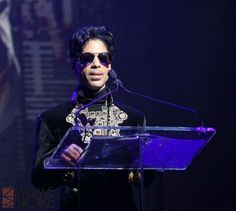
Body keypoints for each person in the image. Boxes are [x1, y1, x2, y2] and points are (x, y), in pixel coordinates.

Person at [31, 26, 148, 211]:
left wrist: (155, 155)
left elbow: (146, 180)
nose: (96, 64)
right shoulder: (53, 119)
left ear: (110, 65)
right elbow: (38, 178)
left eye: (103, 58)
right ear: (74, 63)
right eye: (87, 58)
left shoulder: (133, 118)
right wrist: (59, 160)